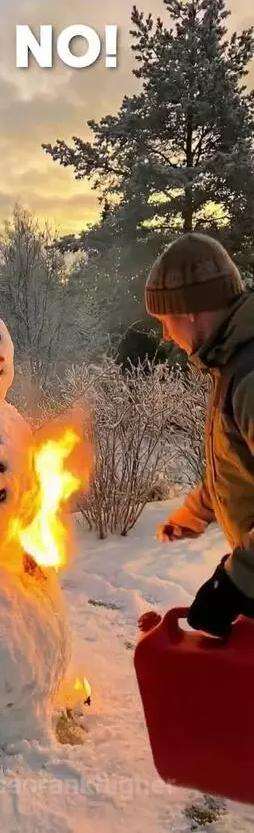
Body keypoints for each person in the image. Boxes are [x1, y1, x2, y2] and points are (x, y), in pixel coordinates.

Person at [144, 232, 254, 639]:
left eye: (165, 322)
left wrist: (236, 583)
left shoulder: (250, 375)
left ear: (189, 312)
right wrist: (195, 513)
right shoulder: (232, 365)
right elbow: (236, 464)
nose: (165, 336)